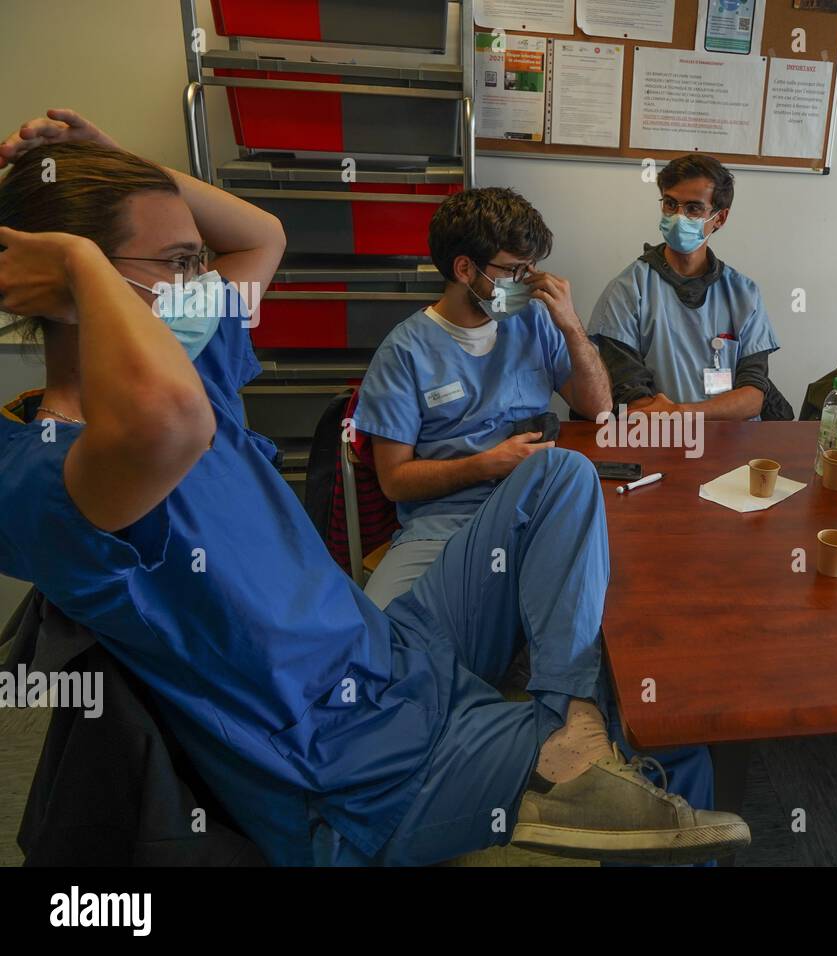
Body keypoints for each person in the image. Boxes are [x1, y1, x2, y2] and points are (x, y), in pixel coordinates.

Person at [0, 109, 748, 866]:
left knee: (561, 472)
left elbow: (262, 236)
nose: (205, 287)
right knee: (673, 745)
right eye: (178, 264)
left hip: (390, 654)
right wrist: (76, 268)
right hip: (353, 769)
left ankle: (571, 729)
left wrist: (127, 167)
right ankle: (573, 745)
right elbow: (166, 424)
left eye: (201, 262)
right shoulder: (45, 469)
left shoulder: (196, 374)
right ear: (66, 287)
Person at [353, 187, 612, 610]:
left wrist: (570, 326)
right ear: (464, 269)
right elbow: (394, 481)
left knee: (581, 602)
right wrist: (484, 465)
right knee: (383, 630)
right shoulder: (405, 351)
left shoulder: (534, 322)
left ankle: (558, 677)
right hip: (442, 526)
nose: (526, 283)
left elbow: (600, 407)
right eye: (513, 271)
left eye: (531, 269)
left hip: (531, 513)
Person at [588, 154, 785, 420]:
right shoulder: (627, 290)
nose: (678, 216)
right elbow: (632, 400)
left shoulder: (744, 294)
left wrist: (682, 413)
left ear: (720, 218)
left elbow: (753, 397)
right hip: (657, 441)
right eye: (670, 204)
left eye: (693, 208)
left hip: (731, 441)